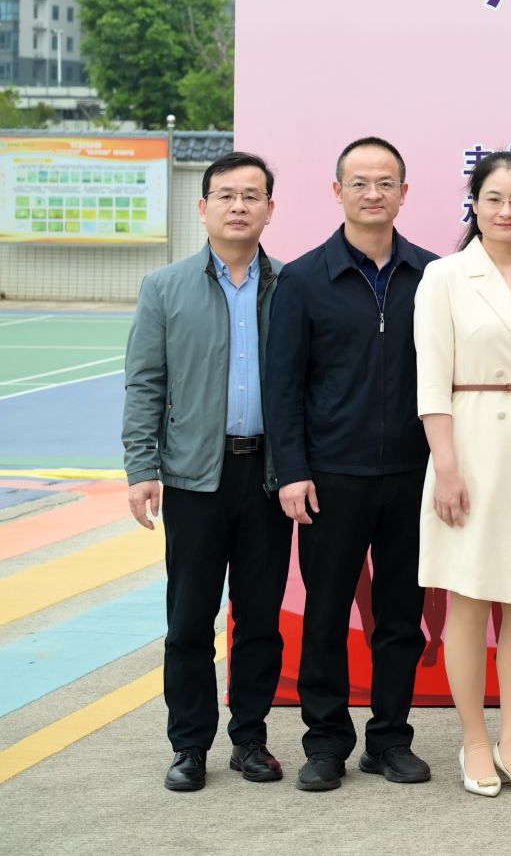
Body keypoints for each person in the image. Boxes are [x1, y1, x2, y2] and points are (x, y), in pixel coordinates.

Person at [265, 136, 436, 792]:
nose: (372, 193)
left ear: (404, 193)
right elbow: (283, 385)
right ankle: (326, 741)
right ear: (337, 191)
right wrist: (291, 469)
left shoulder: (432, 275)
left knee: (401, 616)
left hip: (413, 475)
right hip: (330, 476)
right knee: (326, 614)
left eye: (385, 182)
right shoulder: (304, 279)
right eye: (359, 182)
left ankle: (389, 739)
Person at [122, 152, 291, 792]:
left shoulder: (291, 287)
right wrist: (142, 467)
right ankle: (189, 744)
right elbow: (145, 383)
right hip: (194, 477)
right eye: (226, 195)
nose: (238, 206)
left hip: (270, 478)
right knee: (190, 619)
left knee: (260, 619)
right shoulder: (164, 288)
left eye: (252, 195)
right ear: (203, 207)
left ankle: (250, 739)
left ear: (270, 208)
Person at [413, 150, 511, 798]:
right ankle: (475, 738)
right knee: (469, 600)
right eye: (493, 198)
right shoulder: (445, 277)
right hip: (469, 450)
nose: (506, 210)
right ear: (474, 205)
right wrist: (447, 467)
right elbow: (431, 382)